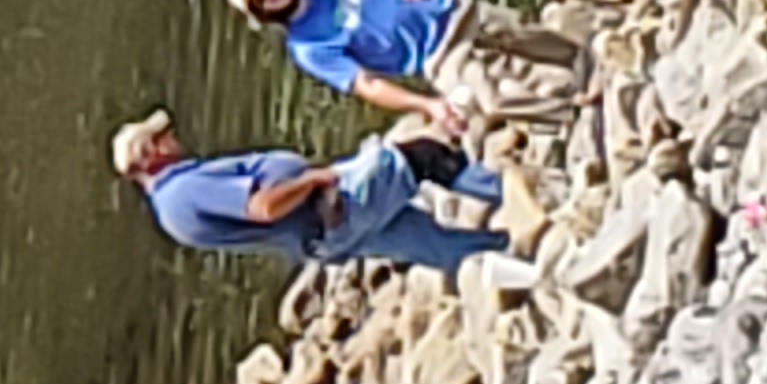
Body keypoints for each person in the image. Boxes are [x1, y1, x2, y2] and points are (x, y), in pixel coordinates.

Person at [109, 110, 507, 279]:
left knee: (424, 240)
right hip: (332, 210)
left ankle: (504, 258)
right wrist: (315, 179)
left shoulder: (169, 212)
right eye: (163, 137)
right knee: (421, 158)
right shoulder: (185, 189)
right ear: (152, 153)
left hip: (321, 238)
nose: (173, 138)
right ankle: (515, 198)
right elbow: (262, 207)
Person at [225, 0, 582, 124]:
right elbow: (367, 85)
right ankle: (571, 112)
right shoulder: (307, 48)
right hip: (437, 57)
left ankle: (587, 64)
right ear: (263, 12)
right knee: (491, 101)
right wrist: (428, 106)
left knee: (532, 38)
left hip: (452, 10)